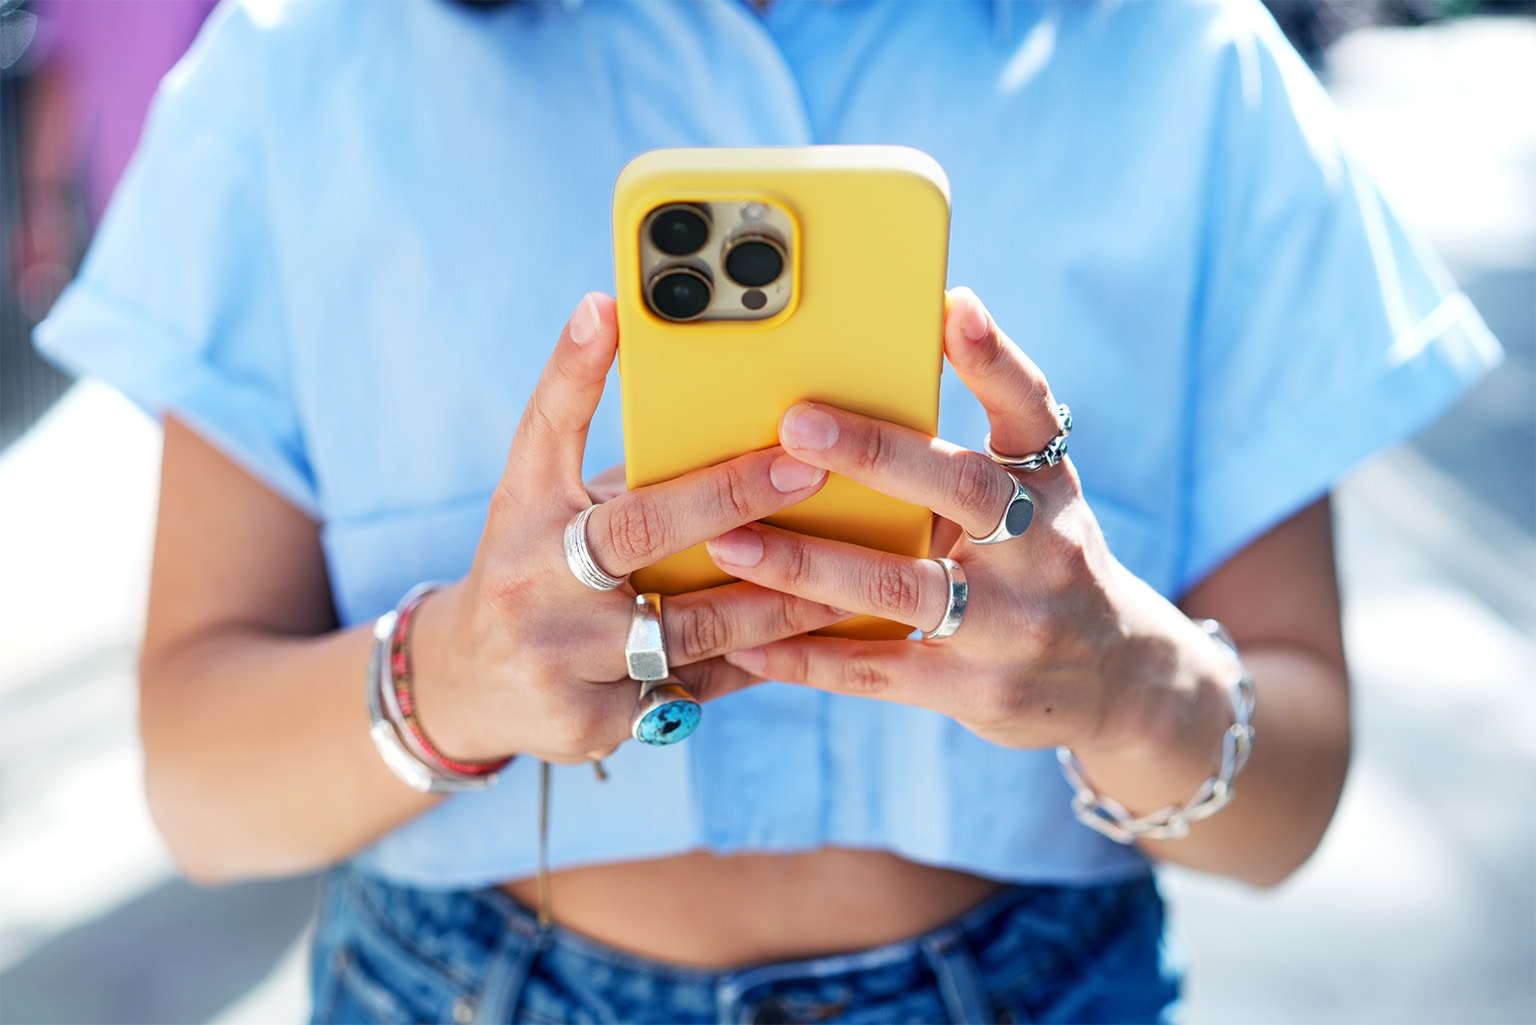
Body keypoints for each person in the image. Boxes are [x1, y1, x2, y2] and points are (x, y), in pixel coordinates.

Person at [34, 0, 1500, 1021]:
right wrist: (456, 677)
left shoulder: (1190, 60)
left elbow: (1287, 808)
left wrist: (1129, 681)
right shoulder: (302, 66)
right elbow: (199, 788)